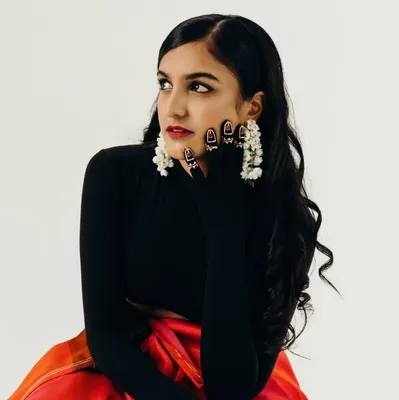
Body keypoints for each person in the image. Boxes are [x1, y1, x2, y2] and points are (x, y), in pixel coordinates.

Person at [9, 13, 337, 400]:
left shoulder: (284, 215)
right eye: (165, 84)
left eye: (198, 87)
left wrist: (225, 224)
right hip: (130, 375)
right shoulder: (115, 174)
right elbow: (106, 336)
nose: (174, 108)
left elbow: (231, 388)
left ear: (252, 107)